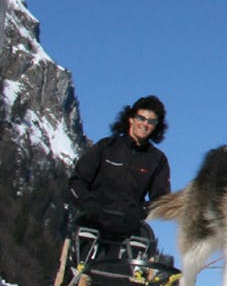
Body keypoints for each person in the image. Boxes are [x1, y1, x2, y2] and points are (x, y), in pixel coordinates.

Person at [66, 95, 172, 239]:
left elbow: (161, 199)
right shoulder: (106, 147)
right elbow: (76, 181)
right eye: (141, 118)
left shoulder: (157, 160)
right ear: (131, 119)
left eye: (151, 121)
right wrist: (88, 203)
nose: (145, 124)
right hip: (92, 223)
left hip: (127, 230)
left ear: (156, 126)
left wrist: (141, 211)